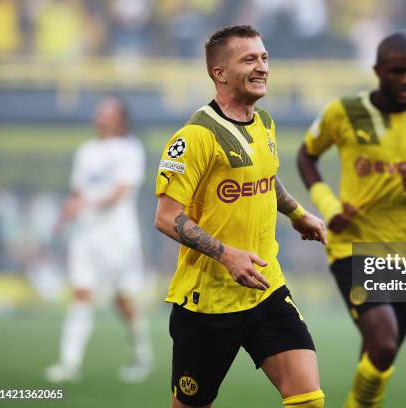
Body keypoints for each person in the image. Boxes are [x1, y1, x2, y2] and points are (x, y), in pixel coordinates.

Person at [154, 25, 327, 408]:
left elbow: (264, 178)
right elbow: (167, 217)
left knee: (309, 399)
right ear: (220, 73)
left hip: (266, 289)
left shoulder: (264, 122)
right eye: (249, 59)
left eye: (264, 57)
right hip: (207, 304)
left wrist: (298, 214)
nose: (262, 66)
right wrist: (226, 254)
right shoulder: (195, 136)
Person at [297, 31, 406, 407]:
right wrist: (329, 206)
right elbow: (306, 156)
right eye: (397, 71)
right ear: (377, 71)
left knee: (377, 355)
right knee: (384, 343)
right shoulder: (344, 112)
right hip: (352, 248)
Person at [45, 97, 153, 383]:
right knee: (81, 293)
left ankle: (141, 355)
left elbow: (121, 191)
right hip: (85, 235)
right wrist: (65, 216)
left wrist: (87, 205)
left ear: (121, 119)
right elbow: (79, 192)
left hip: (117, 237)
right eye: (99, 111)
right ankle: (69, 363)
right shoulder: (87, 151)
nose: (100, 117)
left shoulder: (130, 149)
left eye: (107, 112)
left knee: (123, 298)